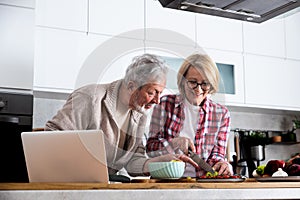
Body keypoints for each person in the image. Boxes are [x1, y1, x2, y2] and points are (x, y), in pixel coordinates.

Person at [45, 53, 198, 177]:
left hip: (102, 188)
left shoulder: (139, 113)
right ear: (131, 86)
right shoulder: (90, 98)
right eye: (152, 92)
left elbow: (133, 162)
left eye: (160, 93)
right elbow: (52, 136)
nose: (157, 101)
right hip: (71, 183)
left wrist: (162, 161)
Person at [146, 53, 233, 177]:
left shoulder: (222, 114)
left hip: (202, 184)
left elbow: (217, 156)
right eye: (192, 82)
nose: (198, 90)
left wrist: (222, 164)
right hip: (166, 181)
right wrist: (174, 143)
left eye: (205, 84)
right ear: (183, 81)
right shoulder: (164, 104)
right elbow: (150, 149)